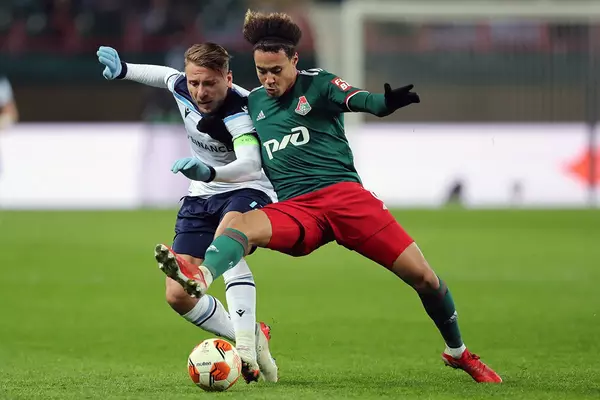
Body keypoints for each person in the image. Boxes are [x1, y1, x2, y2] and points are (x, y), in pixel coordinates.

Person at [154, 10, 502, 383]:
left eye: (276, 70)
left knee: (425, 279)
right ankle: (202, 275)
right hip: (298, 209)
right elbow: (229, 131)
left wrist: (383, 104)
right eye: (261, 71)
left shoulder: (318, 84)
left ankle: (458, 353)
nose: (269, 79)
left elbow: (360, 99)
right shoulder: (252, 104)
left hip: (347, 201)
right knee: (238, 224)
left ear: (295, 60)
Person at [96, 43, 278, 383]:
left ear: (228, 78)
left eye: (209, 83)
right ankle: (252, 334)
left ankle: (245, 350)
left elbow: (250, 163)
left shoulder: (240, 110)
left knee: (227, 241)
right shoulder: (182, 86)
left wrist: (210, 172)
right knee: (178, 294)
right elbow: (164, 76)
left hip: (249, 188)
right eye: (194, 82)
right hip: (203, 194)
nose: (200, 92)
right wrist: (124, 70)